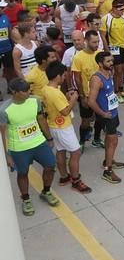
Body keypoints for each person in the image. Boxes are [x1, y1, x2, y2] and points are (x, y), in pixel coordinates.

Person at [0, 78, 59, 216]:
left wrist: (49, 138)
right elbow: (1, 134)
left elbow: (41, 119)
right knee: (22, 173)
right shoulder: (4, 110)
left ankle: (46, 191)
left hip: (38, 142)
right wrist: (6, 155)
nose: (28, 93)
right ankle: (26, 199)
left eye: (28, 90)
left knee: (50, 165)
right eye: (24, 91)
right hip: (19, 149)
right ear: (14, 92)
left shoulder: (35, 101)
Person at [41, 61, 92, 193]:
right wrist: (74, 98)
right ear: (57, 76)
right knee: (75, 152)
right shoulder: (55, 93)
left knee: (61, 151)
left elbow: (57, 105)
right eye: (63, 76)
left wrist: (66, 97)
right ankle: (76, 180)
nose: (64, 78)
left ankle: (64, 177)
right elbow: (65, 111)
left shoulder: (47, 89)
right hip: (63, 127)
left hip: (53, 125)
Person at [87, 51, 124, 183]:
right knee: (113, 140)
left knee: (111, 141)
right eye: (108, 61)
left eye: (111, 61)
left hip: (113, 111)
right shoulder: (97, 79)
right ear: (100, 63)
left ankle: (108, 160)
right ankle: (107, 171)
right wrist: (102, 114)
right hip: (107, 115)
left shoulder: (109, 73)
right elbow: (90, 101)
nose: (111, 63)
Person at [71, 31, 101, 149]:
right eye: (94, 42)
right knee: (86, 121)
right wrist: (82, 96)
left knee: (100, 118)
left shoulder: (100, 54)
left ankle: (97, 139)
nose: (97, 44)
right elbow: (77, 79)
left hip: (100, 94)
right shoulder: (78, 58)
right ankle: (82, 141)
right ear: (86, 41)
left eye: (98, 41)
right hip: (87, 95)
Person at [100, 0, 124, 102]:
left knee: (122, 70)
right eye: (120, 9)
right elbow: (103, 36)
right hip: (113, 48)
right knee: (117, 70)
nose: (123, 11)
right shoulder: (106, 19)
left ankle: (121, 89)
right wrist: (107, 51)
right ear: (114, 8)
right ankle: (116, 92)